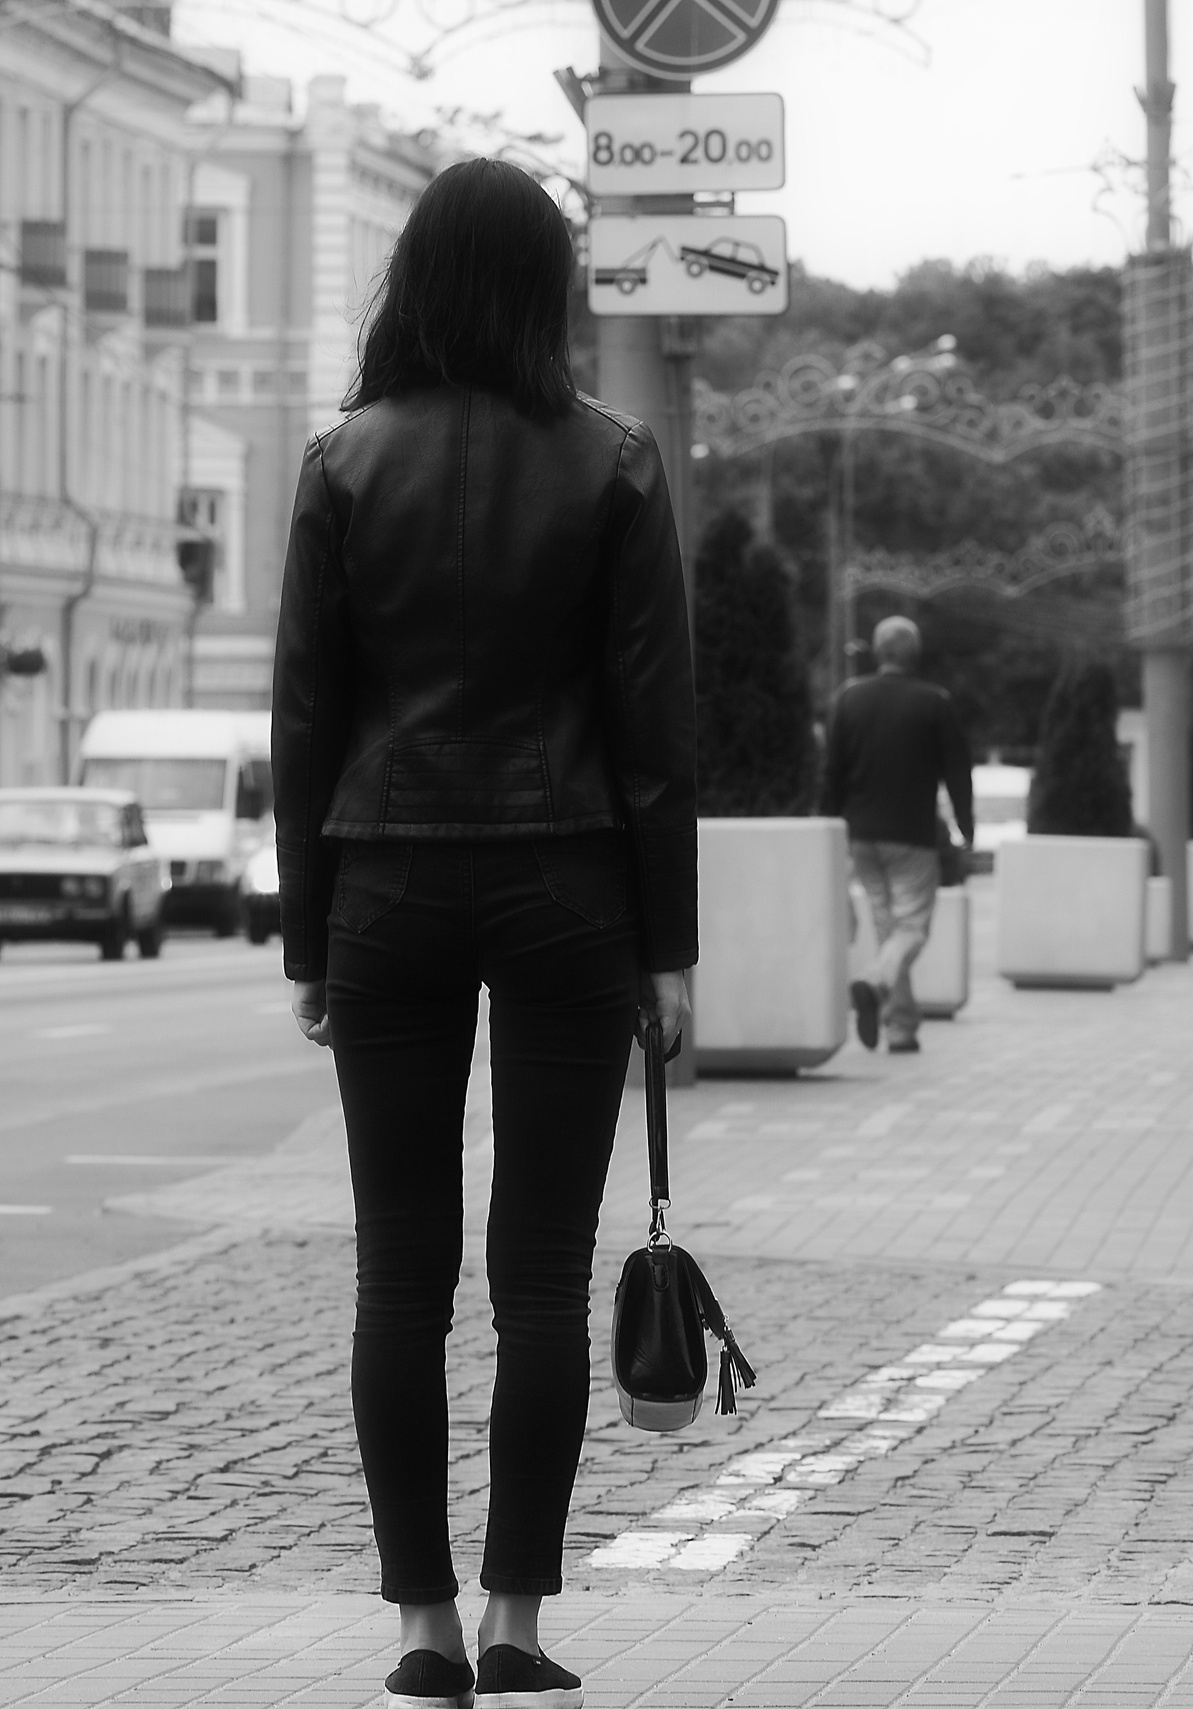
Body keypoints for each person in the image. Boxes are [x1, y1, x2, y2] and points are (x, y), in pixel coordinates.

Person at [273, 158, 697, 1709]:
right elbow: (655, 728)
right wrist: (669, 942)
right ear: (545, 292)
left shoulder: (340, 464)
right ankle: (518, 1616)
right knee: (539, 1277)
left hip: (384, 877)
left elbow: (307, 718)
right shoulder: (614, 461)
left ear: (414, 279)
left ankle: (420, 1634)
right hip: (571, 885)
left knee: (399, 1277)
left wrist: (308, 937)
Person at [820, 615, 973, 1054]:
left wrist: (825, 827)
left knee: (889, 927)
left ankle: (901, 1027)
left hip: (861, 836)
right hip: (912, 837)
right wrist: (966, 826)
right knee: (912, 929)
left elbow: (832, 773)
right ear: (915, 655)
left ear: (876, 651)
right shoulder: (934, 703)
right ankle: (875, 980)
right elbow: (957, 772)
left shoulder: (849, 700)